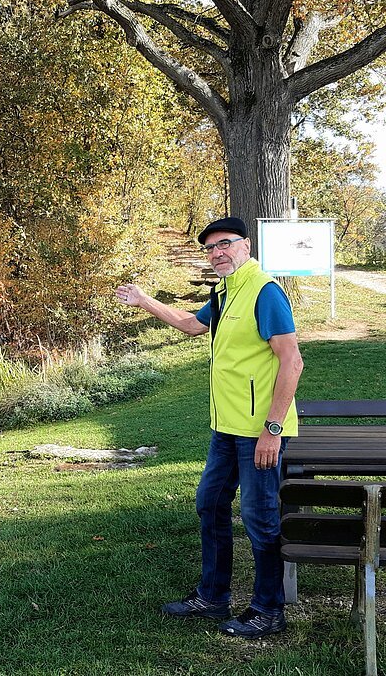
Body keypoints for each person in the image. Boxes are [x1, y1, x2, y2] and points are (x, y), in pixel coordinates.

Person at [116, 216, 303, 639]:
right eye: (211, 248)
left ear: (246, 247)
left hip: (260, 433)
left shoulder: (264, 292)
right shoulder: (223, 293)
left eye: (226, 244)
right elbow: (191, 325)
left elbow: (292, 361)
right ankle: (213, 596)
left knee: (260, 519)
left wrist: (272, 430)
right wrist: (145, 301)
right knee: (210, 505)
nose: (218, 252)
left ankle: (268, 610)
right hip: (226, 430)